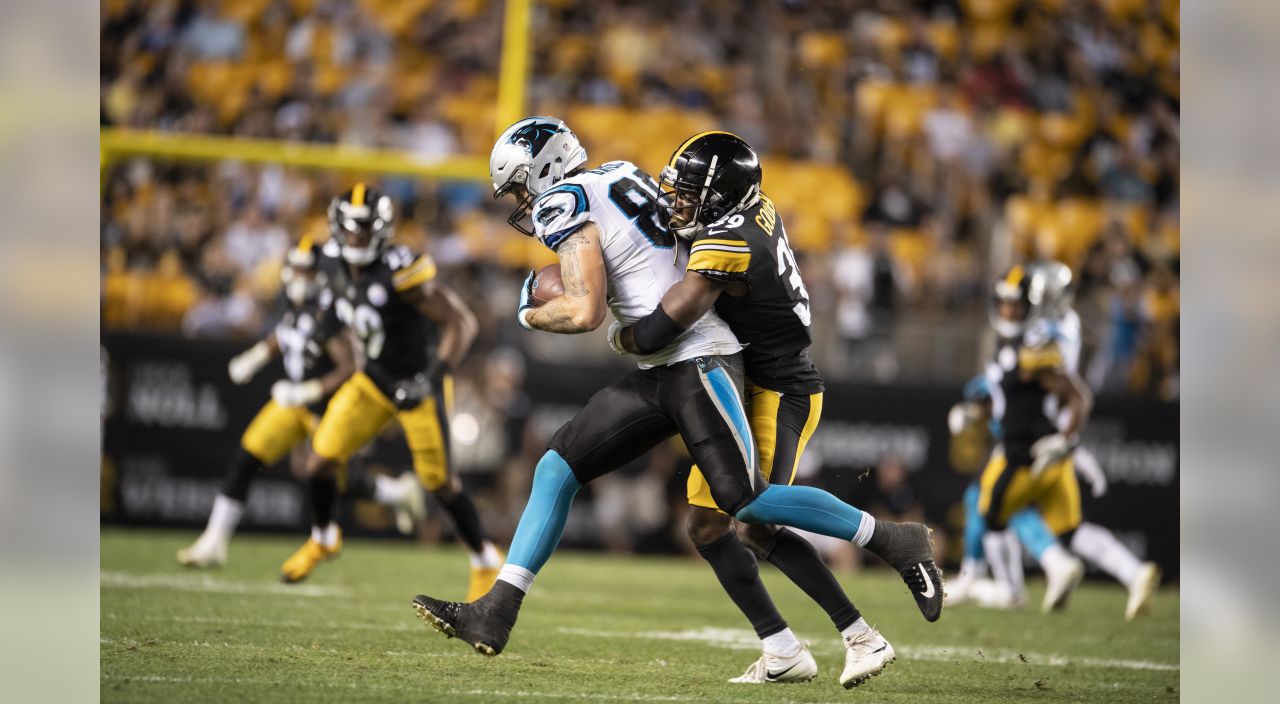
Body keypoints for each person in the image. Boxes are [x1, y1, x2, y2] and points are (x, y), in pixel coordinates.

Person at [411, 118, 943, 667]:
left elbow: (587, 310)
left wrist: (532, 311)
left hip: (698, 359)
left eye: (521, 186)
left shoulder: (562, 204)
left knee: (746, 503)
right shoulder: (618, 171)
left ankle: (891, 539)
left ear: (542, 171)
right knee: (558, 467)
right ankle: (498, 609)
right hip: (666, 368)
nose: (522, 201)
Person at [611, 132, 904, 687]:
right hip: (747, 385)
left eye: (690, 191)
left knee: (754, 518)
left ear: (721, 197)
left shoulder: (731, 240)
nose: (677, 200)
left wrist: (617, 332)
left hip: (780, 390)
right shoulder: (751, 207)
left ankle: (864, 630)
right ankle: (782, 650)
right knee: (704, 523)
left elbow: (656, 333)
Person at [280, 184, 503, 603]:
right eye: (349, 230)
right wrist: (321, 336)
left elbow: (462, 323)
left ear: (381, 232)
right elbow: (333, 305)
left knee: (440, 485)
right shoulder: (328, 262)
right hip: (373, 379)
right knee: (319, 461)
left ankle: (484, 557)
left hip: (417, 383)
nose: (355, 239)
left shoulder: (401, 270)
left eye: (364, 231)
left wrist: (433, 376)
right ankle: (324, 536)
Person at [177, 237, 421, 567]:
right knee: (247, 457)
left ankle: (395, 493)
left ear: (319, 273)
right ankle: (214, 541)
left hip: (324, 406)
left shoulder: (329, 311)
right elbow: (286, 333)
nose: (295, 275)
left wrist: (311, 390)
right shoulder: (296, 304)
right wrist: (258, 354)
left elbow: (350, 366)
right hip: (293, 400)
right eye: (293, 267)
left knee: (327, 479)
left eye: (304, 270)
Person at [951, 261, 1161, 619]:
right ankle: (1132, 571)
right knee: (1069, 528)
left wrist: (1067, 438)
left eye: (1017, 303)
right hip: (1055, 439)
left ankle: (1021, 577)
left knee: (991, 507)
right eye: (1004, 303)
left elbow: (1062, 390)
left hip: (1028, 443)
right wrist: (1070, 441)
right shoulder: (1045, 334)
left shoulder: (1038, 340)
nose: (1009, 310)